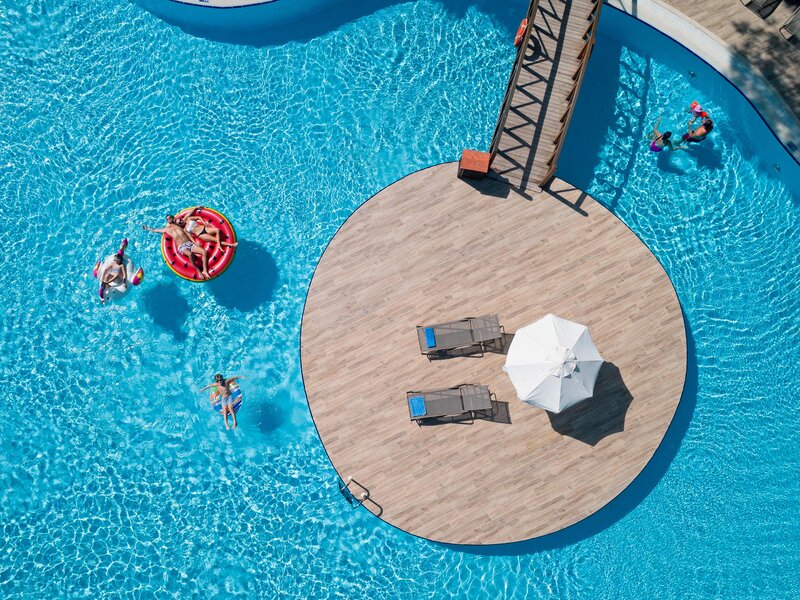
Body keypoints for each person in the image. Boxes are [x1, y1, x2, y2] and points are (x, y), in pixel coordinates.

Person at [142, 215, 211, 280]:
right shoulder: (166, 229)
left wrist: (196, 209)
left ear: (173, 218)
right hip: (182, 246)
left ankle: (205, 271)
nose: (169, 219)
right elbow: (155, 230)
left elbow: (188, 216)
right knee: (190, 254)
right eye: (167, 219)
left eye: (170, 217)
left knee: (204, 252)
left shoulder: (179, 224)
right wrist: (147, 228)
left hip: (189, 243)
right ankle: (198, 270)